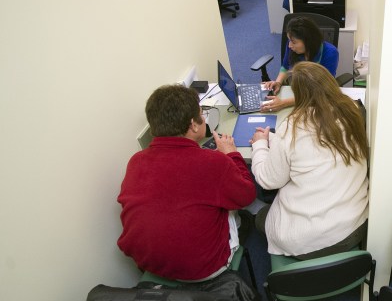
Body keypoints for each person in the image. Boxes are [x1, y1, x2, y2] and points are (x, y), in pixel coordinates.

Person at [117, 85, 256, 281]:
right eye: (202, 113)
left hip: (149, 264)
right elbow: (247, 195)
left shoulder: (136, 161)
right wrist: (232, 154)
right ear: (193, 125)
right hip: (204, 268)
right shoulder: (214, 162)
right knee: (230, 204)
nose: (204, 117)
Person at [250, 62, 368, 259]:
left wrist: (260, 145)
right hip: (354, 226)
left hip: (309, 242)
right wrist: (274, 140)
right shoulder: (353, 111)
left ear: (298, 95)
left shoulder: (292, 128)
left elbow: (268, 181)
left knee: (262, 218)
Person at [261, 16, 339, 113]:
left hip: (316, 100)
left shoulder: (330, 53)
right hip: (296, 91)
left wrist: (284, 103)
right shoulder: (291, 46)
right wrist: (278, 82)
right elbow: (285, 67)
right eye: (289, 40)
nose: (289, 45)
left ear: (308, 41)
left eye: (294, 42)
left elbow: (323, 91)